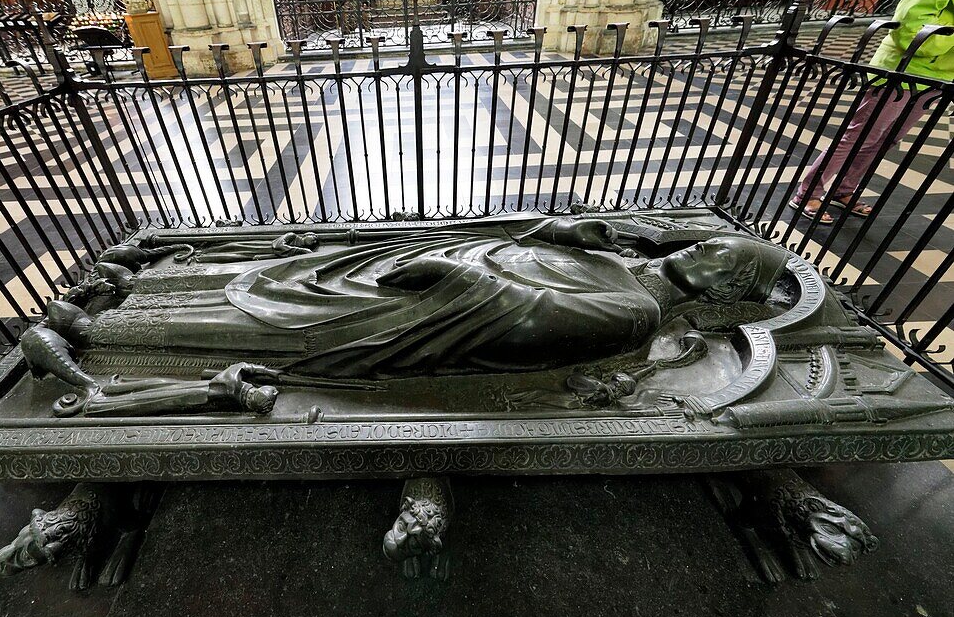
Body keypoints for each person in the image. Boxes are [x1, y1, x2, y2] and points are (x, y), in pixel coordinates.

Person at [78, 215, 789, 379]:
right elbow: (537, 243)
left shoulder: (637, 313)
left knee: (281, 317)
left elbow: (528, 321)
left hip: (434, 306)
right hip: (440, 268)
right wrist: (575, 229)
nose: (696, 244)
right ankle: (139, 285)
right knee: (298, 271)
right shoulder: (627, 261)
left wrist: (462, 277)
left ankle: (109, 335)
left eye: (713, 252)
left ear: (727, 284)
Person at [792, 0, 954, 223]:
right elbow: (912, 14)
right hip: (906, 65)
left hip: (941, 72)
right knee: (861, 134)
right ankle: (809, 192)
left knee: (888, 139)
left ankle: (844, 189)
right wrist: (946, 41)